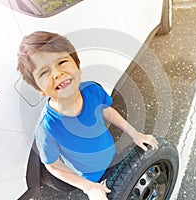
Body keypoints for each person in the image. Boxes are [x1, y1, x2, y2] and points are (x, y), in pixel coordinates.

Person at [17, 31, 158, 200]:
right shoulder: (46, 128)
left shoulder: (92, 90)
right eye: (44, 73)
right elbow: (52, 166)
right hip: (90, 177)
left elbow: (107, 111)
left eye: (62, 62)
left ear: (77, 66)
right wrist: (88, 187)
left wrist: (136, 134)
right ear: (39, 89)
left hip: (113, 156)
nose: (56, 73)